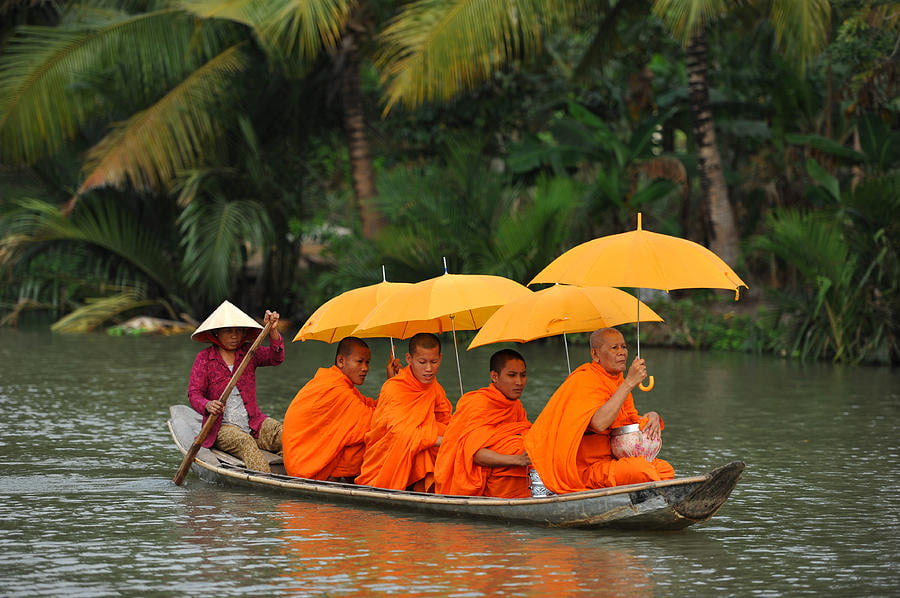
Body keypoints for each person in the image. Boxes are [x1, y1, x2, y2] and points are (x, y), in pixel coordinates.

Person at [524, 327, 674, 494]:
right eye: (614, 348)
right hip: (587, 469)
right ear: (595, 355)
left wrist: (651, 416)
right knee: (641, 471)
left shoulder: (618, 381)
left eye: (624, 347)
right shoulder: (584, 379)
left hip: (612, 461)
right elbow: (599, 423)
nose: (622, 352)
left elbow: (628, 422)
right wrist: (629, 384)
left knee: (665, 470)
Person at [282, 336, 398, 481]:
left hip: (300, 457)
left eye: (367, 362)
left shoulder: (339, 383)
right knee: (376, 439)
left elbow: (370, 408)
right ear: (341, 361)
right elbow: (375, 422)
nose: (365, 368)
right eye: (359, 362)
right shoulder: (336, 389)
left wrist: (392, 382)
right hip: (304, 464)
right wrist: (394, 386)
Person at [187, 300, 284, 473]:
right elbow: (194, 394)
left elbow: (276, 358)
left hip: (254, 424)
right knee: (245, 442)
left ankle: (302, 472)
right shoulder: (204, 358)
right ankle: (265, 482)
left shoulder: (249, 352)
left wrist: (273, 331)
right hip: (221, 429)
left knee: (285, 433)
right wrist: (207, 405)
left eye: (239, 331)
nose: (235, 336)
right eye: (229, 331)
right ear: (216, 333)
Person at [356, 332, 452, 492]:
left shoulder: (435, 387)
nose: (429, 369)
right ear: (409, 359)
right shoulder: (393, 387)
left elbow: (446, 422)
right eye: (422, 362)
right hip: (387, 460)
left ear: (440, 358)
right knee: (423, 447)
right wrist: (438, 439)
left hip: (419, 449)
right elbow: (399, 433)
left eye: (434, 362)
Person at [434, 349, 533, 498]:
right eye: (512, 375)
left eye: (523, 375)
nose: (519, 382)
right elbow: (472, 454)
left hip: (511, 476)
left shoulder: (515, 405)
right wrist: (518, 460)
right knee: (517, 447)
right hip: (478, 477)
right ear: (494, 376)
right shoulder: (479, 404)